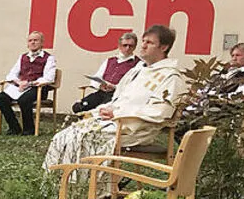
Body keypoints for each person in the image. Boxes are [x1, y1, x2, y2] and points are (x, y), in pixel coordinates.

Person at [43, 25, 186, 172]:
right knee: (64, 135)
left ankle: (90, 183)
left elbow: (160, 112)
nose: (143, 45)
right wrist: (103, 110)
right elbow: (119, 98)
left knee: (84, 137)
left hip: (135, 130)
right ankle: (58, 177)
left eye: (149, 42)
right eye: (143, 41)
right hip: (115, 121)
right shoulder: (138, 70)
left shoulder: (171, 77)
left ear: (164, 47)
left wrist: (117, 114)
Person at [0, 31, 57, 136]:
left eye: (36, 40)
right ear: (27, 43)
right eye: (30, 40)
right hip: (20, 87)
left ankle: (29, 129)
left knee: (24, 100)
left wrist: (29, 83)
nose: (33, 42)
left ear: (42, 43)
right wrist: (19, 82)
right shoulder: (22, 57)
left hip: (38, 88)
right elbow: (11, 74)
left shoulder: (49, 58)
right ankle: (14, 127)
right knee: (0, 98)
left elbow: (49, 78)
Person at [73, 32, 139, 114]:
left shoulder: (138, 64)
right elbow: (96, 77)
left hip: (117, 96)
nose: (127, 48)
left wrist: (115, 87)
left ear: (135, 47)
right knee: (77, 107)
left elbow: (134, 86)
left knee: (100, 111)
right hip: (101, 93)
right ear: (119, 46)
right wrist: (100, 86)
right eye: (125, 45)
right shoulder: (109, 60)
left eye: (131, 46)